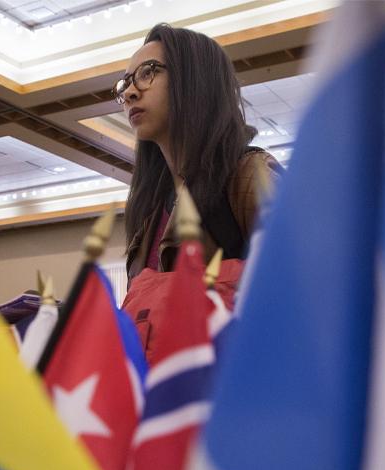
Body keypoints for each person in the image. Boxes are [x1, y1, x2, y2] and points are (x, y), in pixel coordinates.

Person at [114, 23, 282, 282]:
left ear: (193, 79)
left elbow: (308, 286)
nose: (129, 92)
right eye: (124, 83)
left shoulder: (250, 176)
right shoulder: (151, 210)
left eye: (147, 72)